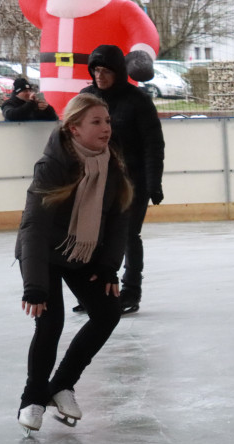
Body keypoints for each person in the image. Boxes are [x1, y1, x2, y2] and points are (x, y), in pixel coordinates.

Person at [15, 93, 134, 437]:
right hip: (44, 250)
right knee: (50, 322)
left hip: (82, 251)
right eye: (96, 122)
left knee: (108, 311)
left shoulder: (110, 161)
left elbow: (117, 217)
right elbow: (34, 226)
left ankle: (62, 385)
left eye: (107, 121)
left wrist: (110, 266)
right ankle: (31, 398)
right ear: (74, 128)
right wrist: (35, 286)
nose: (106, 128)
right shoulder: (53, 164)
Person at [76, 44, 164, 315]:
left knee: (127, 235)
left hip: (131, 182)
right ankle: (97, 290)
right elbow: (72, 138)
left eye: (106, 71)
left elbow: (153, 144)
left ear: (119, 72)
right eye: (96, 70)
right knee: (94, 236)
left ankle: (130, 291)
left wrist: (153, 183)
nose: (100, 76)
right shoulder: (86, 98)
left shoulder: (137, 100)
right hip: (95, 180)